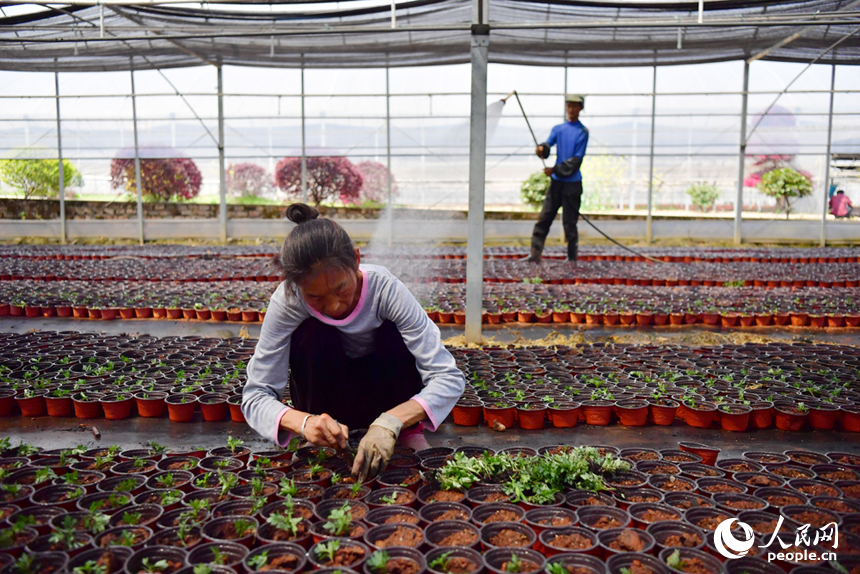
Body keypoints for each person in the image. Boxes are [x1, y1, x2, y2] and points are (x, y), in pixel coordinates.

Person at [242, 203, 465, 480]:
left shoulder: (386, 290)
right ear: (295, 285)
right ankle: (325, 437)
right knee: (310, 330)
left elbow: (448, 377)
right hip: (328, 405)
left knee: (393, 332)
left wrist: (393, 421)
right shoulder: (288, 301)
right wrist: (305, 422)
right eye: (315, 297)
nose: (334, 306)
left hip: (390, 394)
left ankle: (408, 432)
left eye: (341, 288)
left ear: (356, 260)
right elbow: (256, 396)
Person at [528, 94, 589, 264]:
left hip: (572, 184)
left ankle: (572, 258)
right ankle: (535, 254)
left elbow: (576, 160)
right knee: (544, 218)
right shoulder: (558, 129)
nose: (571, 109)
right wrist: (542, 149)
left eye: (575, 106)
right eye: (569, 105)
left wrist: (555, 170)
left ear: (581, 108)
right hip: (557, 183)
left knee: (570, 223)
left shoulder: (582, 132)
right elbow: (548, 145)